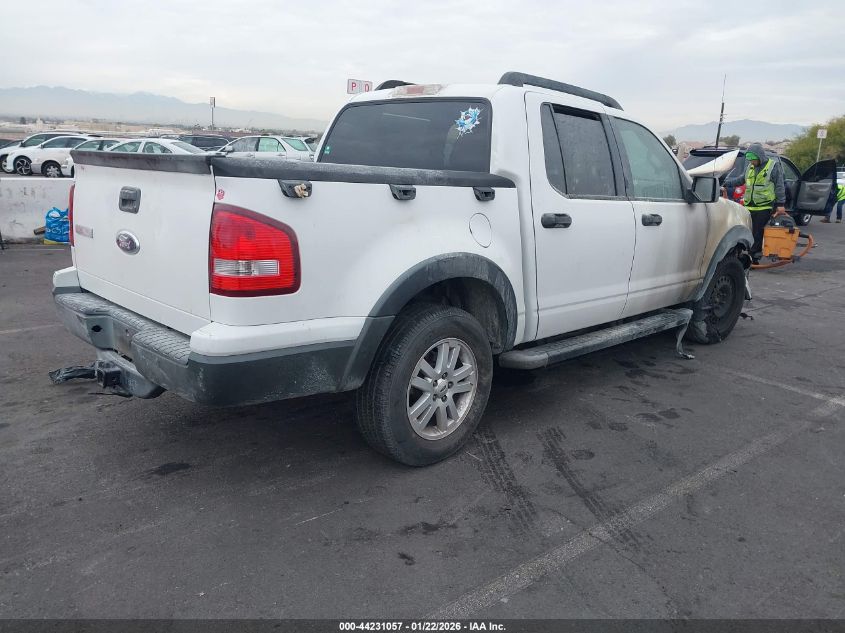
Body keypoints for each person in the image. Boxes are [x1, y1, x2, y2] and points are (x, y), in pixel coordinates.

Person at [725, 143, 787, 260]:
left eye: (754, 160)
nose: (752, 162)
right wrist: (725, 183)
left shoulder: (773, 167)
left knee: (757, 233)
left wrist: (780, 204)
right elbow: (741, 180)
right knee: (746, 231)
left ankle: (754, 257)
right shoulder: (750, 167)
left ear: (760, 157)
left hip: (764, 207)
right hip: (749, 206)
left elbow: (780, 186)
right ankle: (746, 254)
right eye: (750, 160)